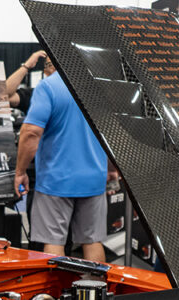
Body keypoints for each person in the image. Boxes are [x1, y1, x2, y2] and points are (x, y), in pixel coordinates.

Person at [13, 70, 116, 262]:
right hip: (93, 179)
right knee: (92, 242)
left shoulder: (49, 86)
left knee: (54, 241)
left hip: (56, 181)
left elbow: (31, 132)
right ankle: (98, 291)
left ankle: (54, 292)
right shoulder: (99, 88)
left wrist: (20, 172)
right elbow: (112, 136)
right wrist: (110, 169)